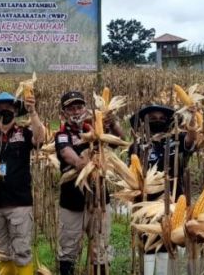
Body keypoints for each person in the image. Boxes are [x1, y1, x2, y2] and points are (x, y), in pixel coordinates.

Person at [0, 92, 45, 275]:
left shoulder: (23, 134)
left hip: (19, 202)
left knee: (21, 251)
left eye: (9, 109)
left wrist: (33, 112)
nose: (5, 112)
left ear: (15, 111)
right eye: (0, 109)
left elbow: (40, 138)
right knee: (1, 253)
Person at [54, 91, 124, 275]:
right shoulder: (62, 134)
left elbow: (119, 141)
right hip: (72, 203)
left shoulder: (95, 129)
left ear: (86, 109)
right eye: (71, 108)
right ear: (63, 114)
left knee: (100, 251)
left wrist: (112, 121)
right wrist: (80, 163)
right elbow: (65, 152)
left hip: (100, 201)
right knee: (68, 251)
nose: (76, 112)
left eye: (79, 107)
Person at [127, 104, 197, 275]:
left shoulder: (177, 140)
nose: (157, 121)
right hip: (146, 201)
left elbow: (191, 139)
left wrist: (192, 120)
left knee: (168, 241)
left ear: (168, 121)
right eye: (152, 119)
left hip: (173, 200)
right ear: (144, 123)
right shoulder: (137, 146)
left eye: (161, 118)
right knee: (148, 241)